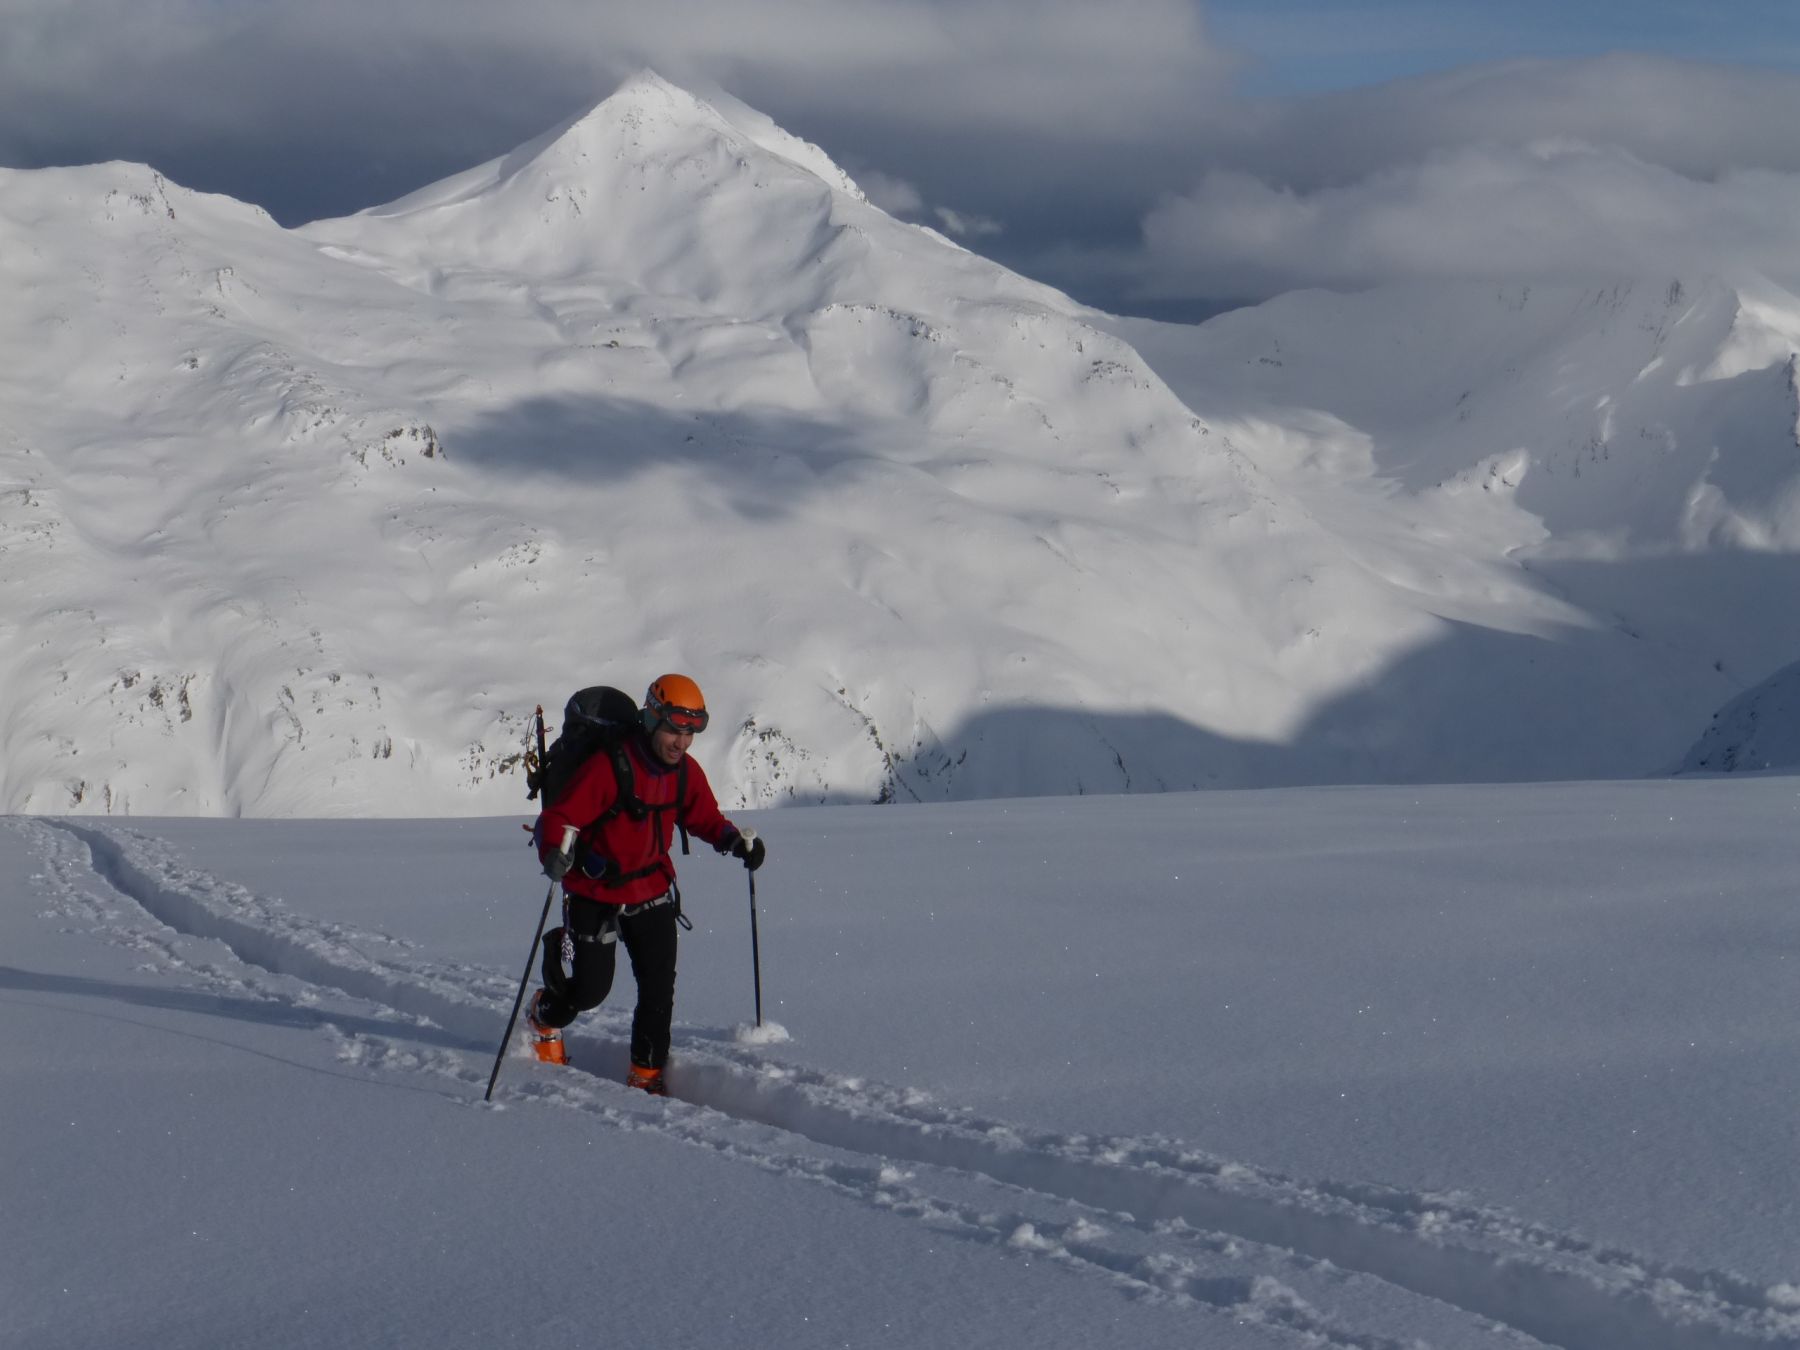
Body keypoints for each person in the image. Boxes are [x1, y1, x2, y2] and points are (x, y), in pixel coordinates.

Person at [529, 673, 766, 1094]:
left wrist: (734, 841)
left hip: (652, 890)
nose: (682, 740)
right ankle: (544, 1015)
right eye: (675, 728)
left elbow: (703, 817)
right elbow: (559, 817)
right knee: (588, 992)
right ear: (654, 718)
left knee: (658, 989)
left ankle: (647, 1076)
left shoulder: (684, 774)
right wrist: (554, 851)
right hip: (595, 892)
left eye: (691, 731)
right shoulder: (610, 766)